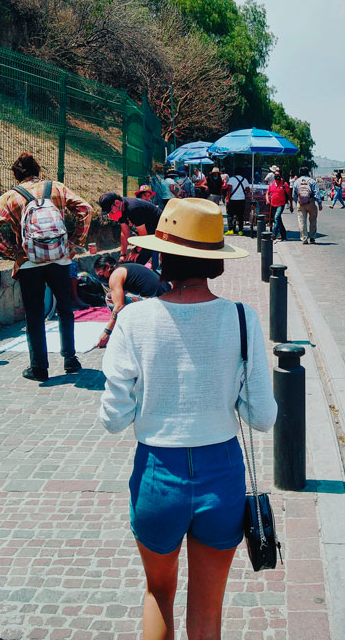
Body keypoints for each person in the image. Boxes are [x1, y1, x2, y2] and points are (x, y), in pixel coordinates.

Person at [99, 198, 277, 640]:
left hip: (158, 474)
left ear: (161, 256)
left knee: (158, 592)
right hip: (222, 473)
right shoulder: (241, 318)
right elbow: (262, 416)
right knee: (208, 607)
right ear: (215, 259)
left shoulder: (134, 319)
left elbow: (113, 418)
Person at [0, 153, 93, 382]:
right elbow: (86, 209)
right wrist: (74, 241)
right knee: (64, 308)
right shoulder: (57, 188)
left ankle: (39, 367)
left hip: (30, 261)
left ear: (16, 175)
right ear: (38, 171)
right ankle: (70, 359)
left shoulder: (11, 196)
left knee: (34, 313)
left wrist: (12, 251)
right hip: (60, 258)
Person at [91, 253, 173, 348]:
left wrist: (107, 332)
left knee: (110, 298)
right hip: (166, 296)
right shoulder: (124, 268)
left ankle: (127, 327)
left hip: (157, 302)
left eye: (99, 272)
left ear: (108, 267)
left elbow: (119, 305)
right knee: (115, 295)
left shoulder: (115, 275)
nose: (98, 275)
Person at [98, 192, 163, 270]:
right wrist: (123, 255)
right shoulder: (120, 208)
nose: (110, 214)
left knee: (136, 263)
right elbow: (125, 233)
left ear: (117, 203)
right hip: (148, 233)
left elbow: (144, 236)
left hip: (160, 231)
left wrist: (136, 251)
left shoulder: (133, 209)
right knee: (129, 262)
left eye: (110, 211)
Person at [293, 166, 320, 244]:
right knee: (313, 220)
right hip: (311, 203)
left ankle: (304, 238)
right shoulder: (312, 181)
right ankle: (312, 237)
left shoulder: (296, 181)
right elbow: (316, 193)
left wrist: (296, 202)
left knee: (302, 221)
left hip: (301, 204)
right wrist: (319, 203)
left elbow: (294, 195)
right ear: (308, 173)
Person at [265, 170, 292, 242]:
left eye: (278, 175)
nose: (277, 176)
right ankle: (284, 235)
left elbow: (289, 195)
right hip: (273, 205)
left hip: (281, 204)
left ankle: (274, 234)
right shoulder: (271, 184)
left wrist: (291, 205)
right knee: (278, 220)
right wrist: (267, 200)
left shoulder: (284, 184)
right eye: (275, 175)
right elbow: (267, 193)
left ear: (281, 176)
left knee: (276, 218)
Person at [224, 170, 250, 235]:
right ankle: (240, 230)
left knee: (230, 215)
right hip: (241, 199)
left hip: (233, 199)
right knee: (240, 215)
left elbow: (229, 189)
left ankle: (230, 230)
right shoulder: (245, 180)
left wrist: (228, 197)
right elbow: (248, 190)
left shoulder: (232, 179)